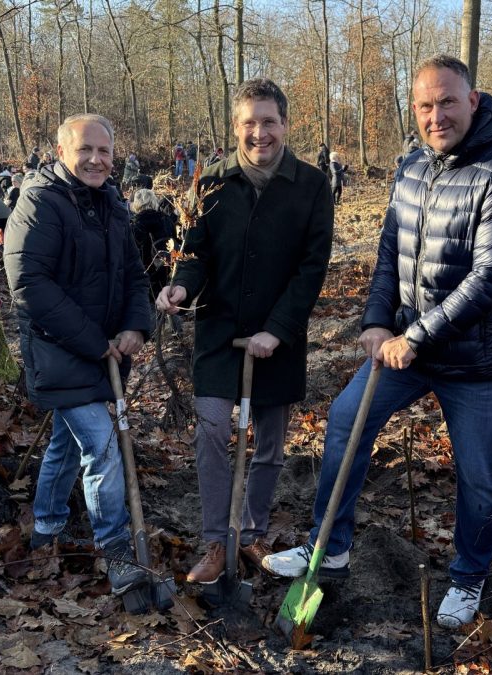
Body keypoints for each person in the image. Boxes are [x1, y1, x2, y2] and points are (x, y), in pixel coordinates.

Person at [261, 54, 492, 630]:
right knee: (345, 419)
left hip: (475, 361)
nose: (436, 115)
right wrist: (374, 322)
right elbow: (390, 253)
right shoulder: (413, 168)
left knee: (479, 473)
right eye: (425, 106)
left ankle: (468, 577)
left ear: (474, 99)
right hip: (405, 347)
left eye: (447, 102)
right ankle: (328, 548)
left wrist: (414, 335)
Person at [156, 78, 334, 584]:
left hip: (280, 336)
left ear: (285, 123)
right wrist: (181, 288)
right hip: (219, 334)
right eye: (249, 123)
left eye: (269, 121)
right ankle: (217, 542)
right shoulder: (211, 182)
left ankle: (251, 534)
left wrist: (278, 329)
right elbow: (196, 255)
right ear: (236, 127)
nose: (259, 133)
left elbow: (312, 266)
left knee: (270, 444)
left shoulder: (312, 184)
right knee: (212, 430)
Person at [4, 113, 153, 597]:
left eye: (104, 151)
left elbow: (134, 274)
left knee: (67, 446)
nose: (95, 159)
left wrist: (135, 325)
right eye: (85, 149)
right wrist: (95, 341)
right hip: (59, 349)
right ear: (62, 152)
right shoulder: (40, 201)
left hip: (101, 350)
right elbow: (29, 285)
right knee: (102, 444)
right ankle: (117, 552)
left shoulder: (110, 202)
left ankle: (45, 529)